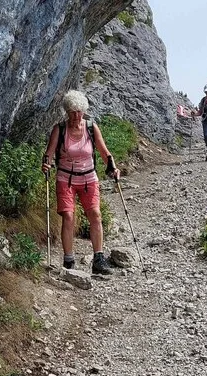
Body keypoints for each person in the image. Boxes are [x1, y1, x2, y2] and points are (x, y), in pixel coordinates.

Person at [41, 90, 120, 274]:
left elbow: (104, 151)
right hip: (65, 178)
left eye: (79, 111)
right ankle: (69, 260)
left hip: (89, 177)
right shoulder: (59, 129)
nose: (76, 115)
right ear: (67, 111)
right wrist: (46, 165)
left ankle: (98, 259)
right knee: (68, 216)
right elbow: (49, 153)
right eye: (72, 111)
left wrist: (113, 167)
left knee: (95, 214)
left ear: (84, 111)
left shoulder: (91, 127)